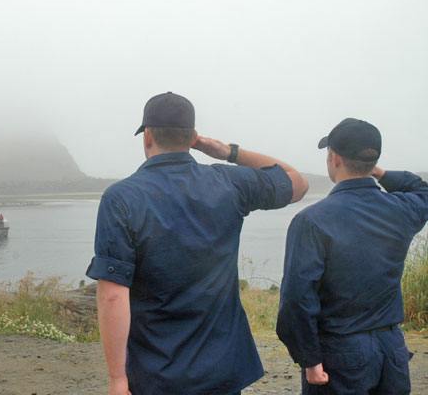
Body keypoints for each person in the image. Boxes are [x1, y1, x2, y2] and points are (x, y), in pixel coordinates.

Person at [85, 92, 309, 395]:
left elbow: (112, 295)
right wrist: (228, 151)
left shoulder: (121, 198)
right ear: (192, 137)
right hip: (222, 370)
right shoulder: (229, 183)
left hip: (156, 374)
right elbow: (296, 180)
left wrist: (117, 379)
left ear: (147, 136)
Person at [276, 118, 428, 394]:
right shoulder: (401, 209)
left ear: (334, 158)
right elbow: (421, 189)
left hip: (341, 352)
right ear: (373, 160)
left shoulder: (312, 220)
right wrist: (377, 172)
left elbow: (297, 299)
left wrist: (309, 360)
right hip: (392, 349)